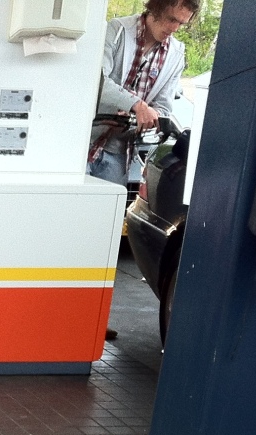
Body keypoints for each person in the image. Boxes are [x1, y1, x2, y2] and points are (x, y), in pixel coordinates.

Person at [89, 0, 197, 339]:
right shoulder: (116, 32)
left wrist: (152, 120)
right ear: (153, 10)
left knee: (100, 239)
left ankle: (90, 320)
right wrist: (136, 104)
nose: (173, 28)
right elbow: (96, 80)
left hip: (119, 152)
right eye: (169, 19)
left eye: (181, 23)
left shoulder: (175, 53)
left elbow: (163, 102)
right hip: (84, 142)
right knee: (68, 229)